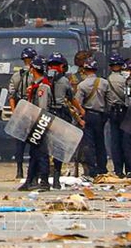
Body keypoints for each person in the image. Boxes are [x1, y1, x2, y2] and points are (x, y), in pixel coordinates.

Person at [46, 52, 83, 189]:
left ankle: (43, 178)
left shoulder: (43, 79)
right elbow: (71, 99)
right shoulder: (65, 81)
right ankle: (55, 179)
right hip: (61, 115)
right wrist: (80, 111)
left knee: (45, 147)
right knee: (59, 147)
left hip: (46, 115)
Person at [18, 55, 52, 191]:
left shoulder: (43, 87)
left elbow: (42, 109)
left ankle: (44, 181)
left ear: (33, 69)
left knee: (42, 153)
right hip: (35, 122)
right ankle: (30, 180)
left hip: (40, 123)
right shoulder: (36, 86)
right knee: (34, 152)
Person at [75, 58, 109, 179]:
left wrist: (79, 118)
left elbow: (77, 103)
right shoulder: (104, 83)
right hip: (101, 116)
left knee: (89, 144)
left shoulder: (82, 85)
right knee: (101, 142)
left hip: (88, 115)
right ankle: (102, 168)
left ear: (84, 70)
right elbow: (109, 101)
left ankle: (92, 170)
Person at [8, 47, 37, 179]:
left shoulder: (16, 75)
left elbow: (11, 96)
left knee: (19, 142)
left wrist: (14, 113)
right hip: (34, 109)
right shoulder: (37, 75)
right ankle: (33, 170)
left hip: (21, 109)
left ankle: (19, 170)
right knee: (35, 141)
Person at [106, 53, 129, 178]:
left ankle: (118, 169)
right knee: (126, 141)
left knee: (115, 142)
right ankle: (128, 168)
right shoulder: (125, 80)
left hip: (113, 112)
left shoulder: (107, 80)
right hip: (124, 112)